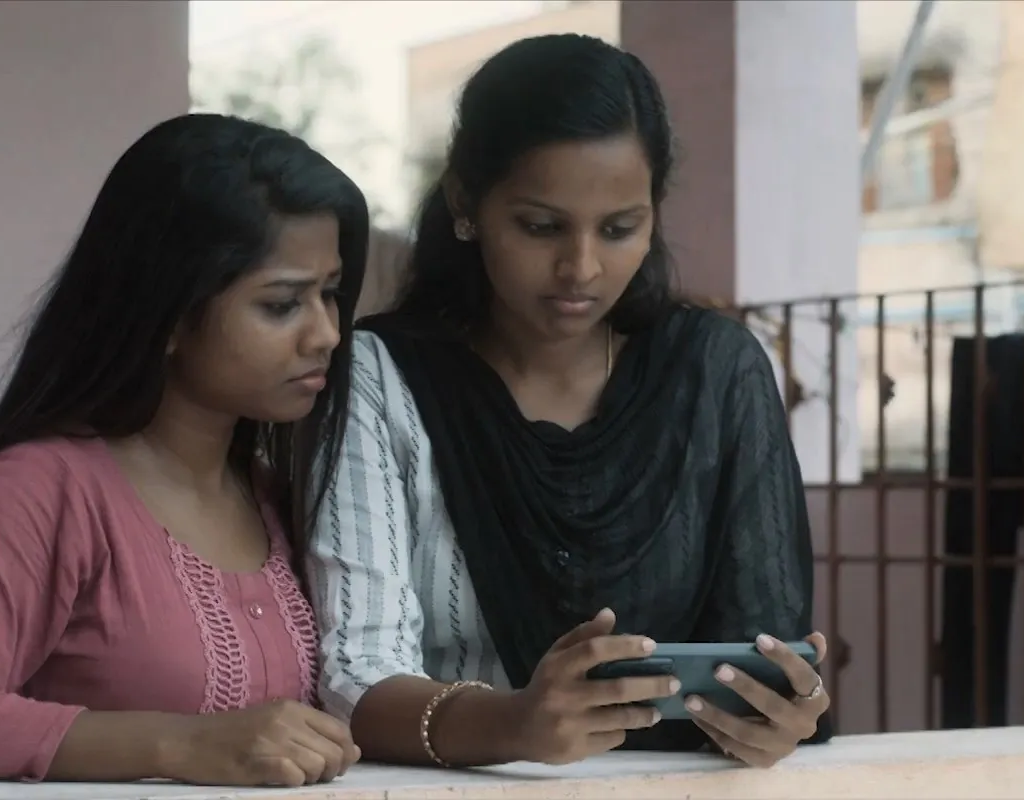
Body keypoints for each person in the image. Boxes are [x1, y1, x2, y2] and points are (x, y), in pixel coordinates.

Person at [309, 34, 832, 770]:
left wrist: (778, 714)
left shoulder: (716, 371)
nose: (581, 268)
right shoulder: (379, 376)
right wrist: (512, 724)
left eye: (619, 229)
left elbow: (761, 648)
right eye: (541, 226)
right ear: (465, 201)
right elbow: (355, 678)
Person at [0, 114, 369, 788]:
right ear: (167, 314)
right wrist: (179, 745)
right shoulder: (41, 490)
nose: (326, 334)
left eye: (330, 295)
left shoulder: (275, 494)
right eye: (281, 305)